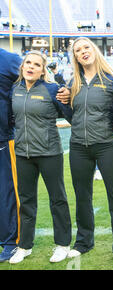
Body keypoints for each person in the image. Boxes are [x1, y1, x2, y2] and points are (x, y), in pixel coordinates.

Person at [66, 37, 113, 261]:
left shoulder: (112, 80)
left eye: (86, 48)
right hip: (78, 147)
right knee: (82, 195)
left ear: (95, 50)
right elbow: (70, 115)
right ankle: (83, 241)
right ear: (75, 57)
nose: (83, 52)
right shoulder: (73, 82)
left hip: (106, 145)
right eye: (78, 50)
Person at [8, 51, 72, 264]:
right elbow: (11, 118)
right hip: (23, 154)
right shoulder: (14, 90)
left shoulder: (52, 89)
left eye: (36, 64)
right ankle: (24, 246)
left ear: (43, 70)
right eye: (28, 63)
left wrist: (69, 96)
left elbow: (70, 114)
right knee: (26, 202)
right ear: (22, 66)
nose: (31, 67)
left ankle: (62, 244)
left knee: (57, 199)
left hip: (49, 153)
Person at [0, 48, 22, 263]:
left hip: (3, 137)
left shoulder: (9, 60)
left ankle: (10, 241)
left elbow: (35, 85)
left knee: (6, 191)